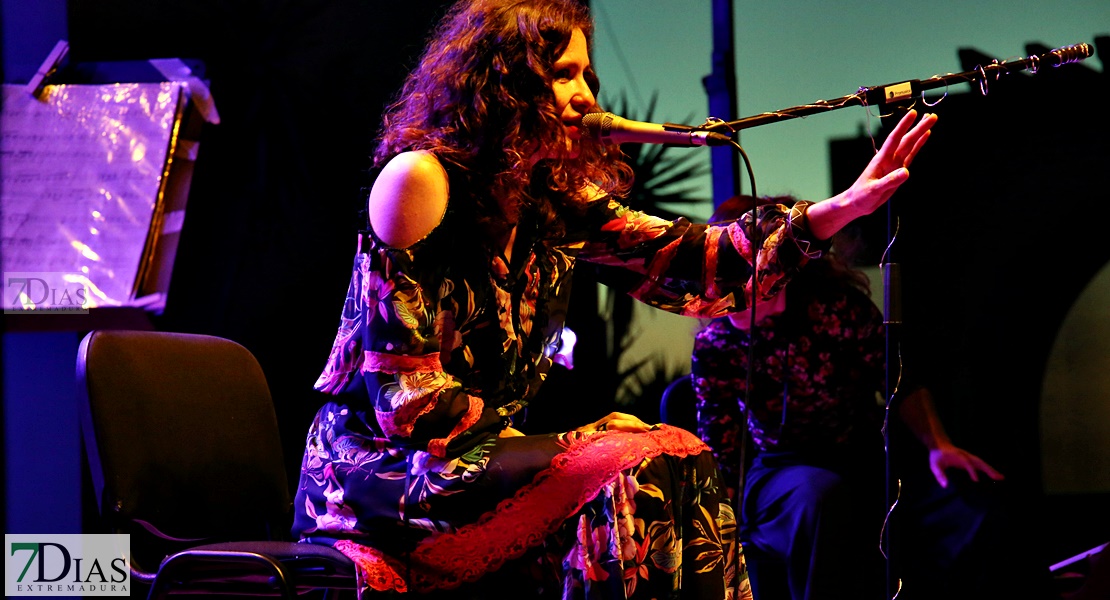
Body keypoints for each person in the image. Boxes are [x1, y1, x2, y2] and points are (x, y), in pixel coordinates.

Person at [290, 1, 937, 598]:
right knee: (632, 460)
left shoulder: (552, 203)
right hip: (381, 474)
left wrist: (830, 214)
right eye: (563, 72)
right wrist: (577, 442)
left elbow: (693, 264)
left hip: (484, 459)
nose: (583, 94)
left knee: (681, 453)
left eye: (586, 76)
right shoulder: (420, 180)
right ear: (505, 81)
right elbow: (408, 403)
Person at [690, 195, 1045, 600]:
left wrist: (939, 445)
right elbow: (721, 442)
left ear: (777, 264)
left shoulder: (837, 311)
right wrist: (722, 520)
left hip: (866, 459)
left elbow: (898, 379)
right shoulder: (717, 344)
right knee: (820, 498)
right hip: (781, 475)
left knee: (974, 509)